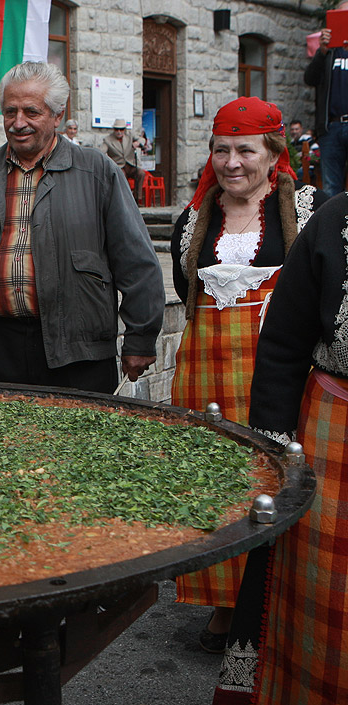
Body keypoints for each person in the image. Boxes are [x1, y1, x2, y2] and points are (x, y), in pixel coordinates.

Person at [169, 97, 326, 653]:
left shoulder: (307, 211)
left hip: (272, 370)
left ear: (272, 152)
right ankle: (222, 603)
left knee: (270, 478)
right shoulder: (193, 219)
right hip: (202, 370)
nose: (231, 162)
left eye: (245, 150)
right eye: (221, 149)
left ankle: (269, 605)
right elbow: (183, 289)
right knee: (211, 481)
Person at [207, 192, 348, 705]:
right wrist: (272, 451)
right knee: (322, 596)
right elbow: (285, 344)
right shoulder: (334, 223)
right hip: (337, 436)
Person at [0, 61, 164, 393]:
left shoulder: (96, 172)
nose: (18, 123)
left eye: (31, 112)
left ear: (57, 116)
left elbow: (136, 260)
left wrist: (140, 337)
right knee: (5, 442)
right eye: (10, 112)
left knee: (83, 442)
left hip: (78, 351)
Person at [305, 0, 348, 195]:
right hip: (332, 128)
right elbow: (310, 78)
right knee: (331, 189)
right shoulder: (327, 52)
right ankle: (333, 226)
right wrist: (321, 52)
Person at [101, 117, 147, 205]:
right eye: (116, 129)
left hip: (131, 164)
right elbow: (102, 151)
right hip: (119, 165)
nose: (119, 131)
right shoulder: (108, 140)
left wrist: (138, 143)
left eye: (121, 129)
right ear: (114, 130)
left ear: (124, 129)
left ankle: (138, 198)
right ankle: (126, 199)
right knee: (122, 176)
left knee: (141, 173)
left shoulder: (129, 135)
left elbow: (142, 139)